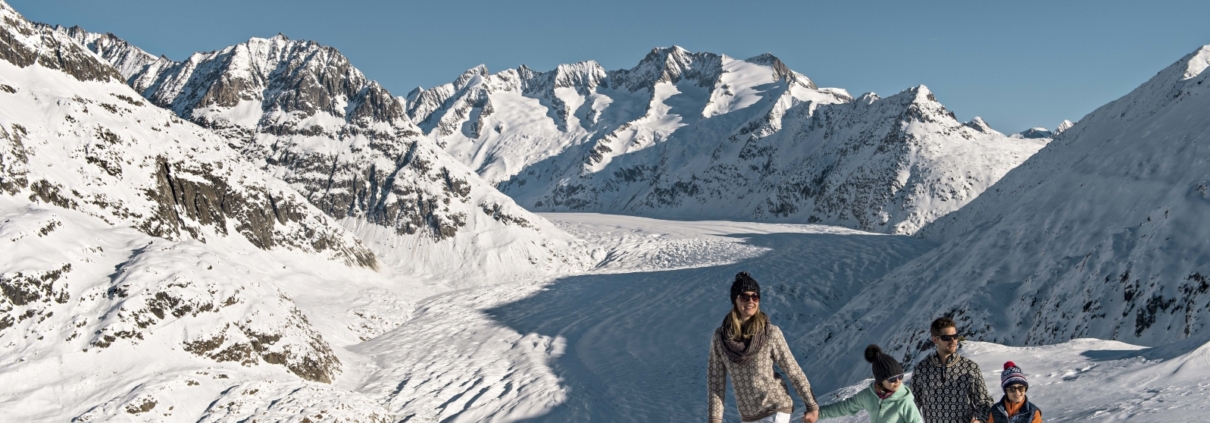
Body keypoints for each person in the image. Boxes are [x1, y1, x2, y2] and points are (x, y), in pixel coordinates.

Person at [708, 272, 820, 423]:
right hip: (749, 416)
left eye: (755, 296)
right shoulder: (720, 338)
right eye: (744, 296)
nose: (750, 301)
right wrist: (715, 419)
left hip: (775, 408)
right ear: (735, 300)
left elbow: (792, 369)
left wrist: (811, 405)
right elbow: (716, 383)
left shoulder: (770, 333)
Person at [910, 318, 994, 423]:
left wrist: (980, 420)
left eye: (955, 336)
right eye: (946, 338)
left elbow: (985, 403)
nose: (953, 341)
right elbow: (912, 406)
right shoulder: (921, 370)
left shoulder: (970, 368)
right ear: (935, 340)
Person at [818, 344, 924, 423]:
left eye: (900, 377)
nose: (898, 381)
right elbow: (846, 406)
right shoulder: (869, 396)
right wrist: (818, 413)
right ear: (880, 380)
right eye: (892, 379)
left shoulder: (904, 402)